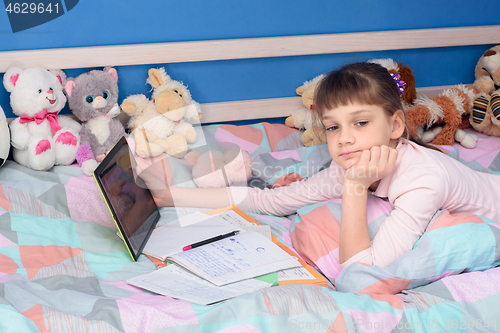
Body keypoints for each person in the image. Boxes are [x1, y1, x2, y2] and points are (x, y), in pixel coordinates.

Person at [146, 62, 500, 269]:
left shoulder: (423, 179)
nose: (343, 139)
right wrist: (172, 195)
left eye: (360, 123)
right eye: (333, 127)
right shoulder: (350, 163)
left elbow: (362, 270)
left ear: (395, 126)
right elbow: (271, 202)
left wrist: (355, 188)